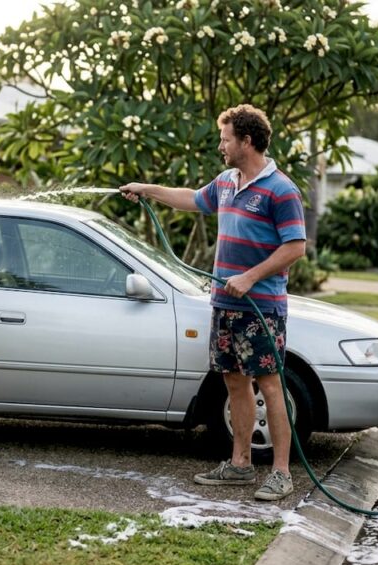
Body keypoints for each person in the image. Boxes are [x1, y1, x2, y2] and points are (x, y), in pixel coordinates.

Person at [120, 104, 306, 501]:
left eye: (225, 139)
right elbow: (191, 199)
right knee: (234, 383)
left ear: (246, 141)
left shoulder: (281, 189)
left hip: (262, 307)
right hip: (225, 304)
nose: (220, 146)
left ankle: (281, 473)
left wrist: (251, 276)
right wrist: (147, 189)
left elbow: (295, 246)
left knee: (271, 386)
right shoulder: (226, 182)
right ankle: (240, 465)